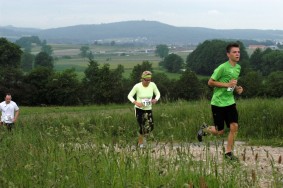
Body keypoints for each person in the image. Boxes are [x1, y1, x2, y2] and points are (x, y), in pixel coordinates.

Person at [197, 43, 243, 161]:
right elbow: (210, 82)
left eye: (238, 52)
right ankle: (204, 129)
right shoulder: (222, 67)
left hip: (230, 102)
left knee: (234, 126)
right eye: (234, 52)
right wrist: (227, 85)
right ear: (228, 54)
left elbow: (232, 82)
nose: (237, 54)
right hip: (218, 102)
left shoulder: (238, 68)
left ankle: (228, 153)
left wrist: (237, 88)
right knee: (220, 131)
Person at [128, 71, 160, 148]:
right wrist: (135, 102)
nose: (148, 82)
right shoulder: (137, 86)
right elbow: (129, 96)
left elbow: (158, 94)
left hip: (148, 109)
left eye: (150, 80)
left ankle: (143, 138)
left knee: (151, 127)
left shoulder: (153, 85)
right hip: (139, 109)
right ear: (142, 79)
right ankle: (140, 143)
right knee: (142, 126)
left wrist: (156, 99)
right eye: (146, 80)